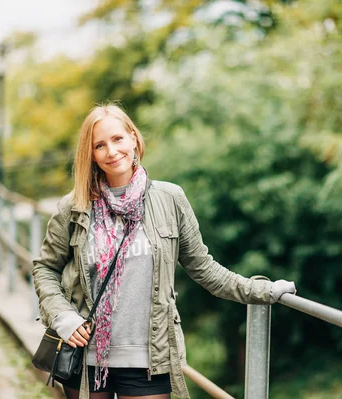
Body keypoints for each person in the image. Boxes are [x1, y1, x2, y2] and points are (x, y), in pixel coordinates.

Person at [32, 103, 296, 399]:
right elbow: (45, 268)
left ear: (133, 138)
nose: (111, 151)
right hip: (86, 355)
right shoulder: (75, 206)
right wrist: (64, 318)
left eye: (118, 139)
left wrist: (263, 291)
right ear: (91, 154)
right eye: (99, 145)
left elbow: (204, 268)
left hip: (149, 358)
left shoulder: (170, 199)